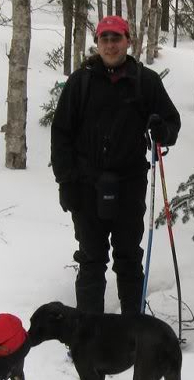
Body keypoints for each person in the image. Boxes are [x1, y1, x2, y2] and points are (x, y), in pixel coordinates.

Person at [51, 16, 181, 316]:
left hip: (129, 184)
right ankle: (90, 335)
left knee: (128, 258)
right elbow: (61, 135)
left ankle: (132, 331)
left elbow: (171, 124)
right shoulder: (80, 82)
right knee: (91, 259)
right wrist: (66, 182)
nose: (110, 45)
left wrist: (161, 130)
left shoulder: (145, 81)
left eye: (116, 38)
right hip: (85, 185)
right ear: (97, 43)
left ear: (128, 41)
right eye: (104, 39)